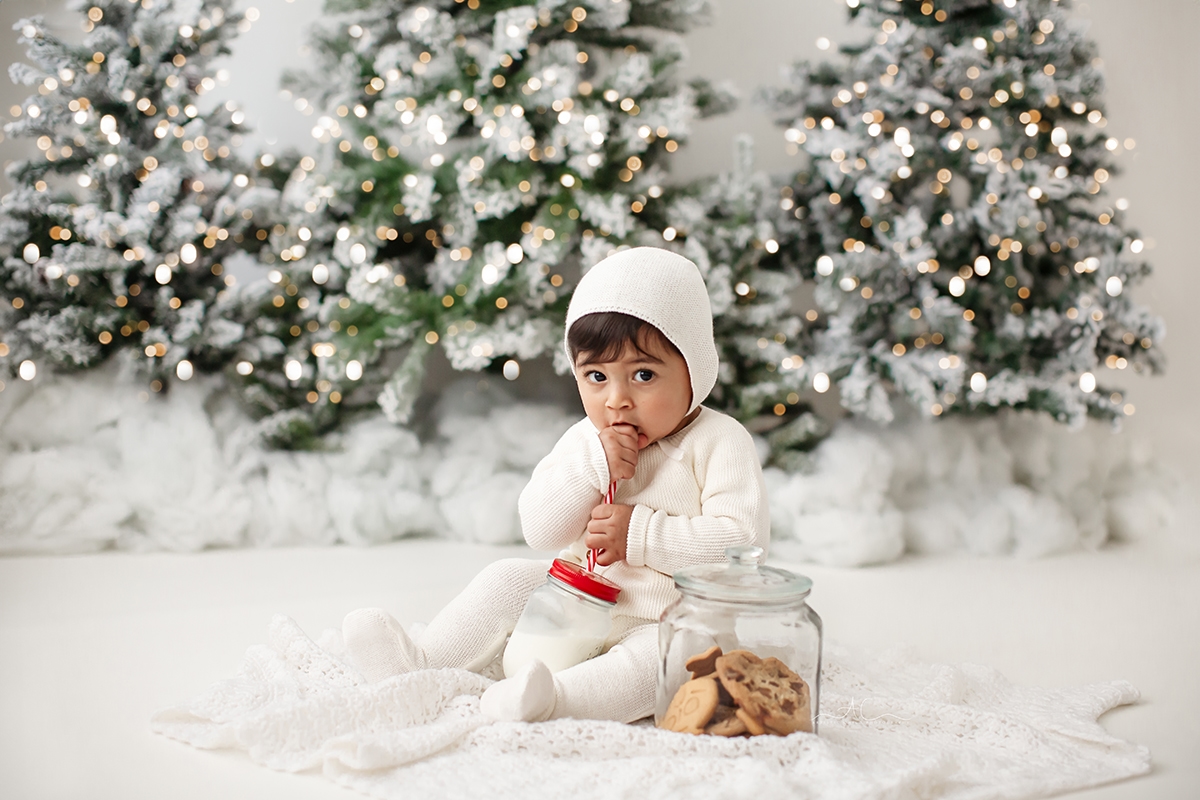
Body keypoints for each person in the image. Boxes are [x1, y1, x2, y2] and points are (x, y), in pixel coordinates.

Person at [342, 246, 769, 723]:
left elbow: (742, 547)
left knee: (663, 662)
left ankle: (554, 700)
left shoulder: (719, 441)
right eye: (596, 376)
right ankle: (418, 664)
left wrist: (640, 534)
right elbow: (539, 530)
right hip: (573, 597)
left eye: (643, 374)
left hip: (668, 617)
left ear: (695, 367)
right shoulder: (587, 440)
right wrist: (590, 468)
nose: (617, 400)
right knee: (504, 579)